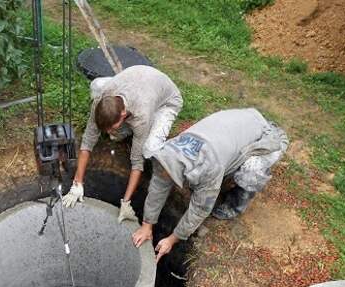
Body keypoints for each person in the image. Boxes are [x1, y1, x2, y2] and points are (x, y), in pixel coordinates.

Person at [132, 108, 289, 262]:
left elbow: (200, 209)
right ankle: (230, 169)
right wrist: (147, 225)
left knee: (250, 172)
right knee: (212, 176)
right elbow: (157, 187)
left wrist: (172, 239)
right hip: (240, 123)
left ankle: (234, 205)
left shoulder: (209, 167)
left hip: (267, 136)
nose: (163, 177)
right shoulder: (167, 152)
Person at [62, 65, 183, 222]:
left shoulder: (141, 116)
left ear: (123, 114)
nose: (107, 132)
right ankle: (123, 130)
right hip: (139, 79)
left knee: (148, 148)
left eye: (111, 127)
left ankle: (144, 130)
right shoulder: (100, 100)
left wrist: (126, 202)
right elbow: (87, 142)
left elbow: (137, 163)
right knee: (96, 86)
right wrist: (77, 183)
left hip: (166, 100)